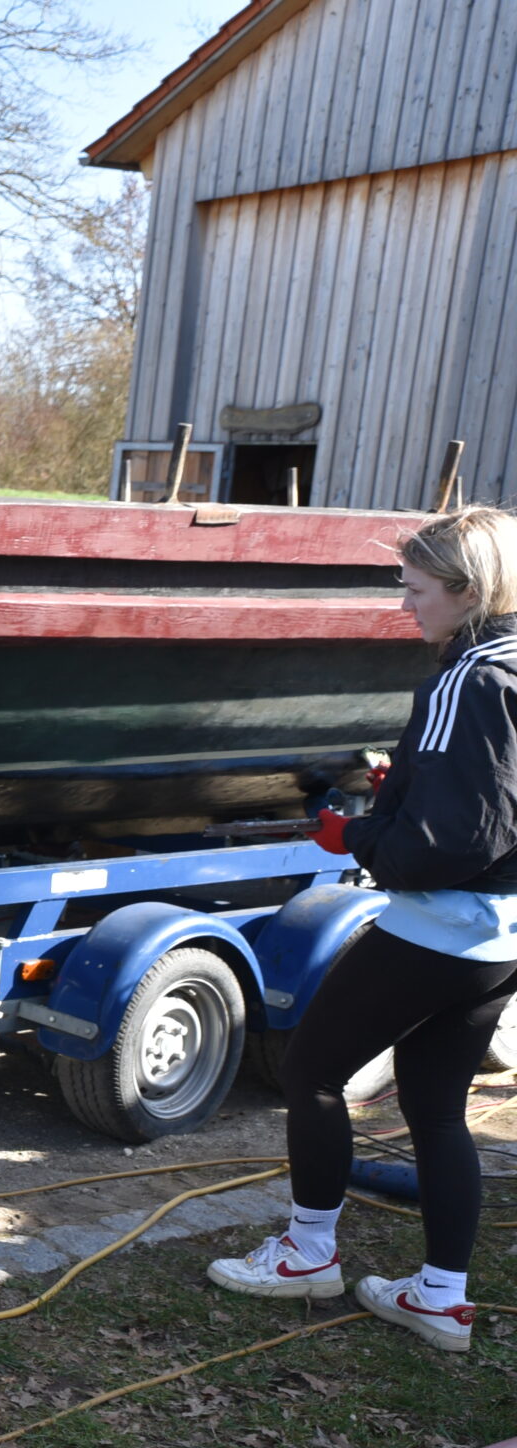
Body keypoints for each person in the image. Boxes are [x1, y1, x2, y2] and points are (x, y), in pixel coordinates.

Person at [207, 506, 517, 1354]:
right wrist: (410, 781)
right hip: (505, 937)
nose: (404, 604)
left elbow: (454, 841)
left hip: (442, 926)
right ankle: (440, 1297)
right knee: (434, 1101)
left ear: (467, 589)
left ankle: (308, 1254)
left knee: (310, 1069)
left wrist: (358, 836)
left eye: (416, 589)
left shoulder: (471, 677)